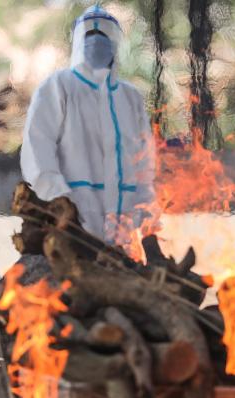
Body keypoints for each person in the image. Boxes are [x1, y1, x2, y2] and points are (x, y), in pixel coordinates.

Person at [21, 4, 155, 242]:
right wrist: (61, 203)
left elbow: (145, 158)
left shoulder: (129, 96)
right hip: (74, 221)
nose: (96, 40)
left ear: (116, 42)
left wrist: (143, 206)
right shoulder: (58, 86)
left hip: (125, 225)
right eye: (90, 35)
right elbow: (38, 151)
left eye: (103, 34)